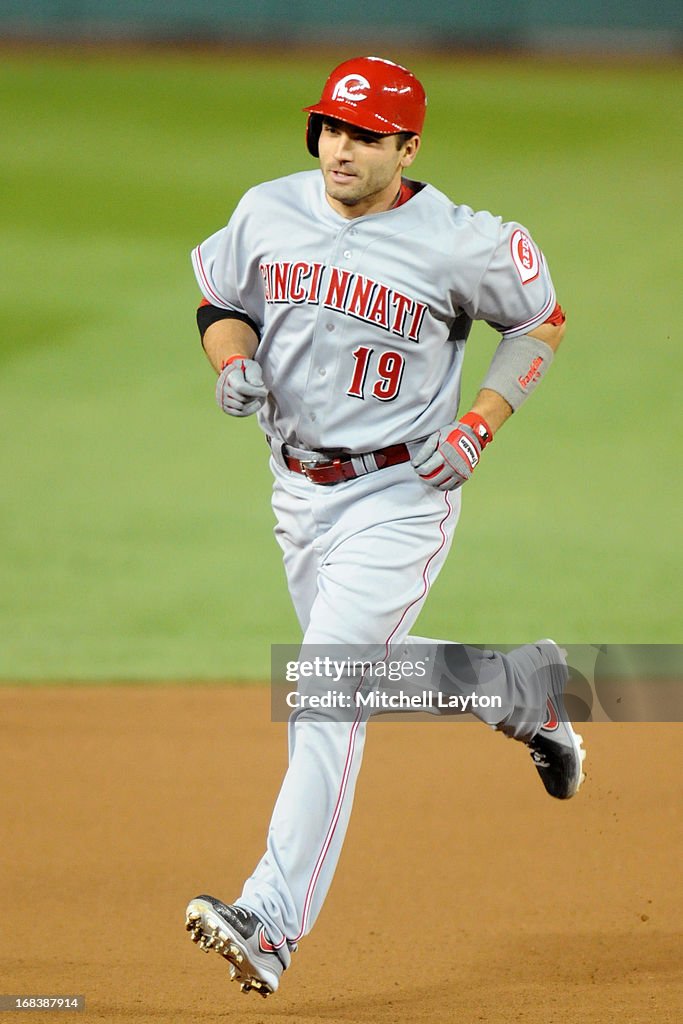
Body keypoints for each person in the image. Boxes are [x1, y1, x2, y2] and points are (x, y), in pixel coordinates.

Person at [184, 55, 586, 998]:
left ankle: (270, 923)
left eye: (366, 135)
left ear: (407, 146)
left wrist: (480, 420)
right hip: (297, 493)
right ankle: (517, 687)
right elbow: (220, 298)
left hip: (401, 496)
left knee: (325, 689)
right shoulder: (268, 207)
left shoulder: (458, 241)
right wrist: (228, 359)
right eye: (331, 128)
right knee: (358, 669)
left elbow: (542, 321)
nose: (341, 149)